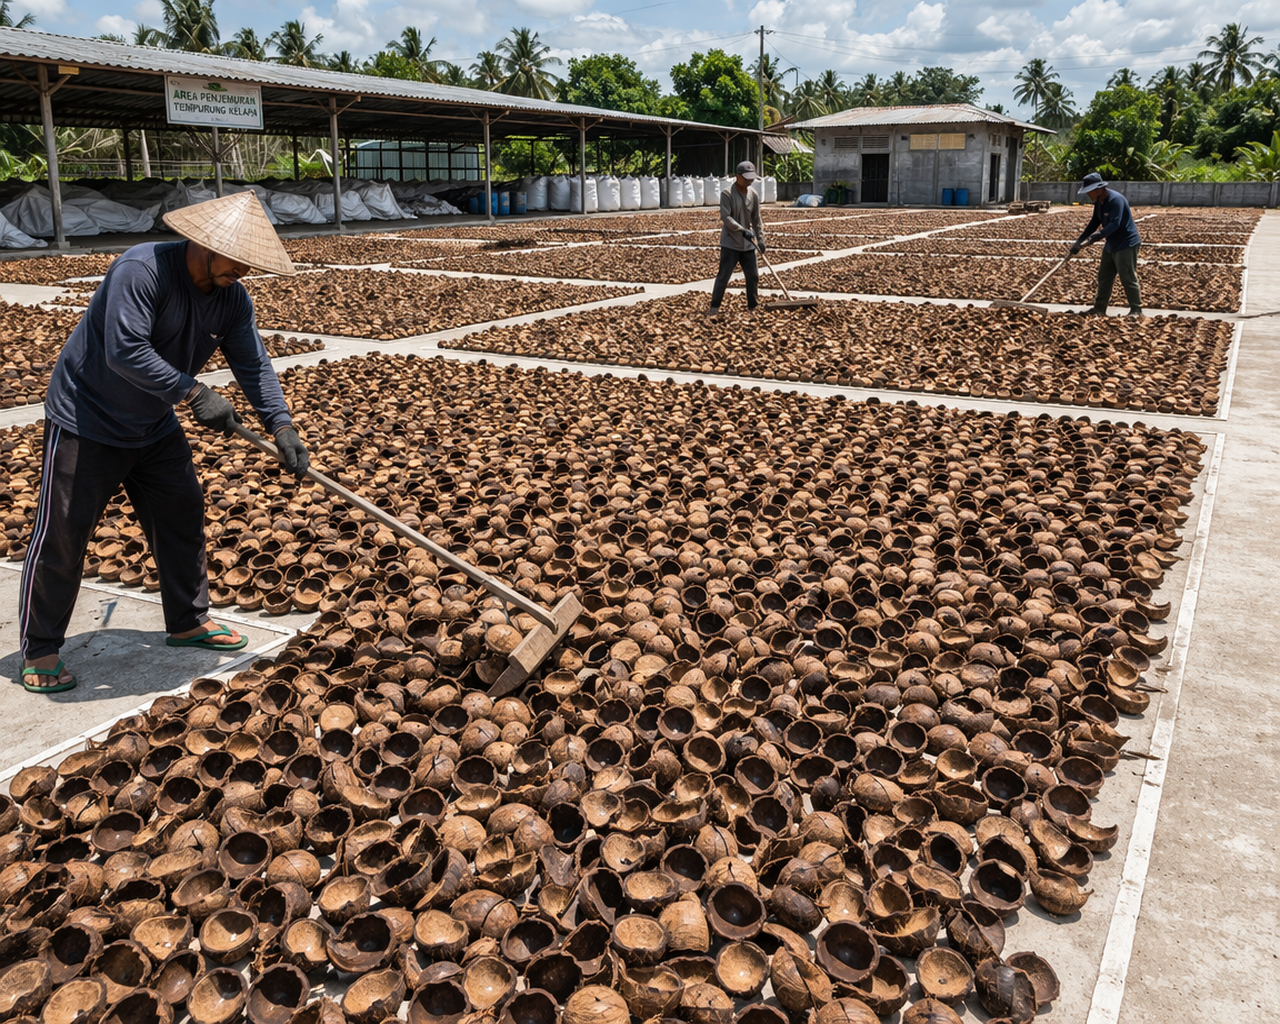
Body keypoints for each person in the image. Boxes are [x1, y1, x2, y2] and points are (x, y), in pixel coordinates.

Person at [17, 191, 310, 694]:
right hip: (88, 418)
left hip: (152, 423)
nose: (242, 270)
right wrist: (193, 392)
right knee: (63, 533)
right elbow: (123, 350)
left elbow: (253, 363)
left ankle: (187, 620)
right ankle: (41, 646)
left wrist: (281, 424)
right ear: (203, 244)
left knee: (181, 514)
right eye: (236, 259)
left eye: (249, 264)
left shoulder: (233, 298)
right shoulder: (142, 270)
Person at [1071, 171, 1143, 317]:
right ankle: (1099, 308)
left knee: (1127, 276)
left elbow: (1114, 224)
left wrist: (1095, 238)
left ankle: (1136, 309)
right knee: (1104, 276)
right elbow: (1094, 223)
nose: (1088, 195)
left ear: (1098, 189)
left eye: (1089, 192)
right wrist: (1079, 241)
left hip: (1126, 242)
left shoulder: (1116, 200)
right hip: (1111, 243)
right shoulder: (1099, 203)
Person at [708, 160, 767, 315]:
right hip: (731, 243)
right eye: (746, 177)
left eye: (751, 178)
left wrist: (760, 238)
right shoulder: (726, 194)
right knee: (724, 276)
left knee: (753, 276)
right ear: (737, 176)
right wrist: (742, 230)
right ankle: (714, 307)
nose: (749, 180)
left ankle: (753, 306)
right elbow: (726, 217)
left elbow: (756, 219)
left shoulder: (753, 195)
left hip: (748, 244)